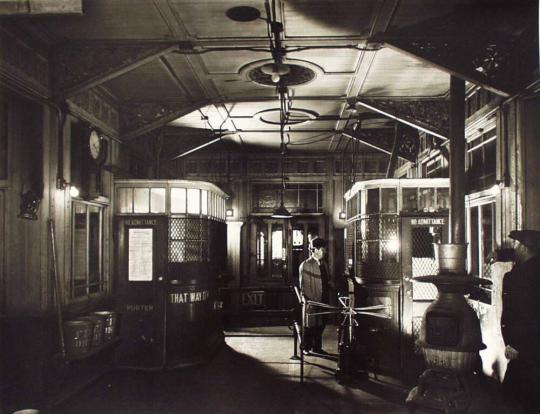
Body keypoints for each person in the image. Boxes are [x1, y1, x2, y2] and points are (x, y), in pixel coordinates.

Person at [501, 229, 540, 413]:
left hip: (524, 350)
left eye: (516, 244)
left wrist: (515, 344)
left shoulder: (518, 277)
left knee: (514, 400)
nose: (514, 248)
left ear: (524, 248)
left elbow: (524, 314)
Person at [299, 237, 332, 354]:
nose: (325, 252)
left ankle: (317, 347)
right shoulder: (306, 265)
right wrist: (312, 301)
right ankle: (305, 347)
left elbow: (326, 281)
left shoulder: (324, 265)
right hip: (313, 301)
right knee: (310, 324)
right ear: (316, 250)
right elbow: (305, 286)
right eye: (323, 250)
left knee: (321, 323)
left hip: (324, 299)